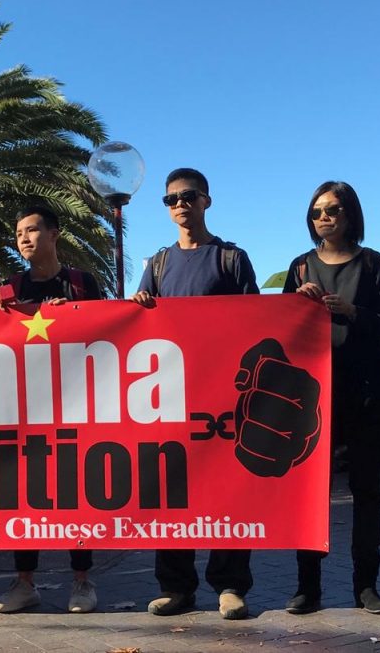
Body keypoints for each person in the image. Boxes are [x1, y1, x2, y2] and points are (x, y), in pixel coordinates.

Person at [131, 167, 259, 621]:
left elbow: (257, 321)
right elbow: (138, 325)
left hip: (223, 394)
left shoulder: (231, 258)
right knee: (171, 490)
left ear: (206, 200)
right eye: (171, 200)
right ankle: (176, 587)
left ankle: (230, 586)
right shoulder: (157, 264)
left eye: (188, 196)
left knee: (228, 488)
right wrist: (139, 307)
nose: (180, 205)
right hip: (170, 395)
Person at [282, 181, 380, 616]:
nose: (323, 218)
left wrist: (350, 312)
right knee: (309, 493)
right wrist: (297, 302)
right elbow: (284, 328)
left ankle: (366, 585)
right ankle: (307, 587)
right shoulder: (300, 266)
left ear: (350, 214)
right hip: (312, 394)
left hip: (363, 391)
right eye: (316, 212)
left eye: (332, 210)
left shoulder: (373, 262)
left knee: (367, 490)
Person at [0, 205, 103, 615]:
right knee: (26, 493)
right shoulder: (9, 287)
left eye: (32, 230)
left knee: (76, 492)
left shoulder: (82, 283)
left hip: (75, 405)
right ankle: (24, 584)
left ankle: (82, 582)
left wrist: (72, 316)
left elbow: (108, 331)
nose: (24, 238)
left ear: (54, 234)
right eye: (19, 232)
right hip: (23, 409)